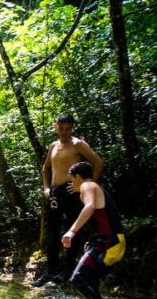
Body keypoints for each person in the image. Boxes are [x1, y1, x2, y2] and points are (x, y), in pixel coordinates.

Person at [33, 114, 105, 288]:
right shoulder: (53, 146)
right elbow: (46, 168)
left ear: (73, 127)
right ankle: (50, 271)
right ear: (55, 126)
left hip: (72, 191)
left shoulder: (78, 144)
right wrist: (46, 188)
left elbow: (98, 163)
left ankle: (68, 270)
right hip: (55, 192)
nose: (65, 132)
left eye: (68, 128)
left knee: (73, 230)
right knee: (52, 231)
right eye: (62, 128)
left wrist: (88, 185)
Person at [62, 162, 126, 299]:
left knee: (78, 279)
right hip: (113, 241)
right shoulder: (92, 187)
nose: (71, 183)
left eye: (71, 179)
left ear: (77, 176)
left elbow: (89, 206)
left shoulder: (88, 185)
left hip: (108, 242)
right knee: (90, 283)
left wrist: (71, 231)